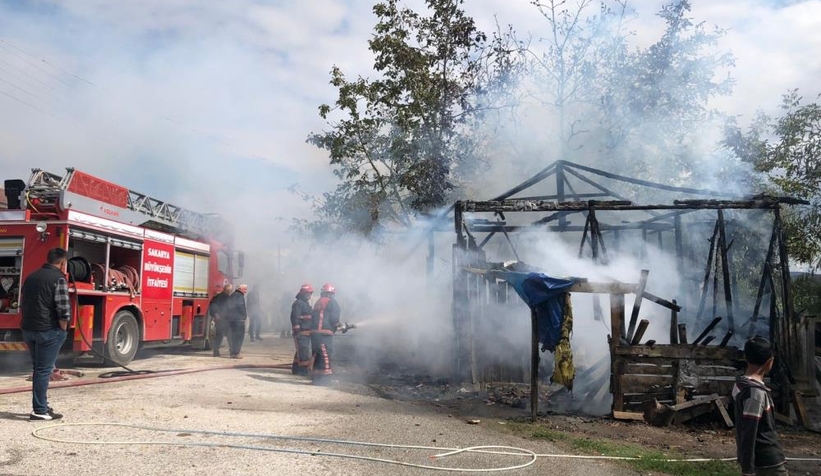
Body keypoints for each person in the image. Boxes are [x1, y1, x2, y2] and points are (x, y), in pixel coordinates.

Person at [20, 248, 70, 421]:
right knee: (43, 370)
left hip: (29, 329)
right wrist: (63, 328)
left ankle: (41, 406)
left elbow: (23, 302)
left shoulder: (31, 277)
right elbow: (63, 308)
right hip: (48, 330)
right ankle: (40, 410)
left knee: (38, 369)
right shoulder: (59, 279)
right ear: (63, 263)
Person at [733, 336, 788, 476]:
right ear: (770, 361)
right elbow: (749, 432)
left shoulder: (740, 384)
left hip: (760, 459)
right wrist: (747, 469)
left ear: (746, 358)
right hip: (766, 461)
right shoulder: (755, 393)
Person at [310, 283, 341, 384]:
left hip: (315, 333)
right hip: (324, 334)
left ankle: (316, 379)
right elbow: (334, 319)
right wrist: (338, 325)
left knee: (317, 355)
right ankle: (325, 380)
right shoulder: (332, 302)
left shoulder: (318, 302)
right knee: (325, 355)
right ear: (331, 293)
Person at [290, 284, 314, 375]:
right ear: (302, 293)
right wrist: (297, 330)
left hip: (306, 331)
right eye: (307, 293)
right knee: (303, 352)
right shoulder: (298, 303)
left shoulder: (305, 303)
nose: (309, 295)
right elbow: (294, 317)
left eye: (310, 293)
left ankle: (296, 369)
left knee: (300, 351)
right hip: (301, 332)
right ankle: (303, 371)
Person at [208, 283, 233, 357]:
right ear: (229, 291)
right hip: (227, 319)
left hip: (220, 319)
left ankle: (216, 351)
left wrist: (215, 314)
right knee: (230, 336)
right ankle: (232, 351)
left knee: (218, 335)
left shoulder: (217, 297)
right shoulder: (229, 298)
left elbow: (212, 306)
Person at [225, 283, 249, 359]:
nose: (245, 291)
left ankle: (232, 352)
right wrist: (244, 316)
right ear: (239, 289)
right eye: (244, 289)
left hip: (231, 319)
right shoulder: (239, 296)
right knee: (239, 337)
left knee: (232, 336)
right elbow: (240, 306)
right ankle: (236, 353)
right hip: (238, 320)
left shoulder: (232, 295)